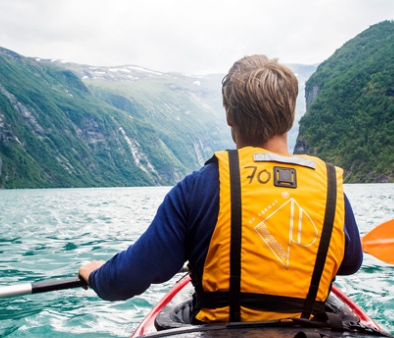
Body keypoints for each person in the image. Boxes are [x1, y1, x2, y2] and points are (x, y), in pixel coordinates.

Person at [78, 55, 362, 322]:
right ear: (290, 117)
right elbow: (350, 263)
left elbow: (125, 280)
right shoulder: (330, 190)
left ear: (229, 118)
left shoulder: (197, 187)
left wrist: (95, 275)